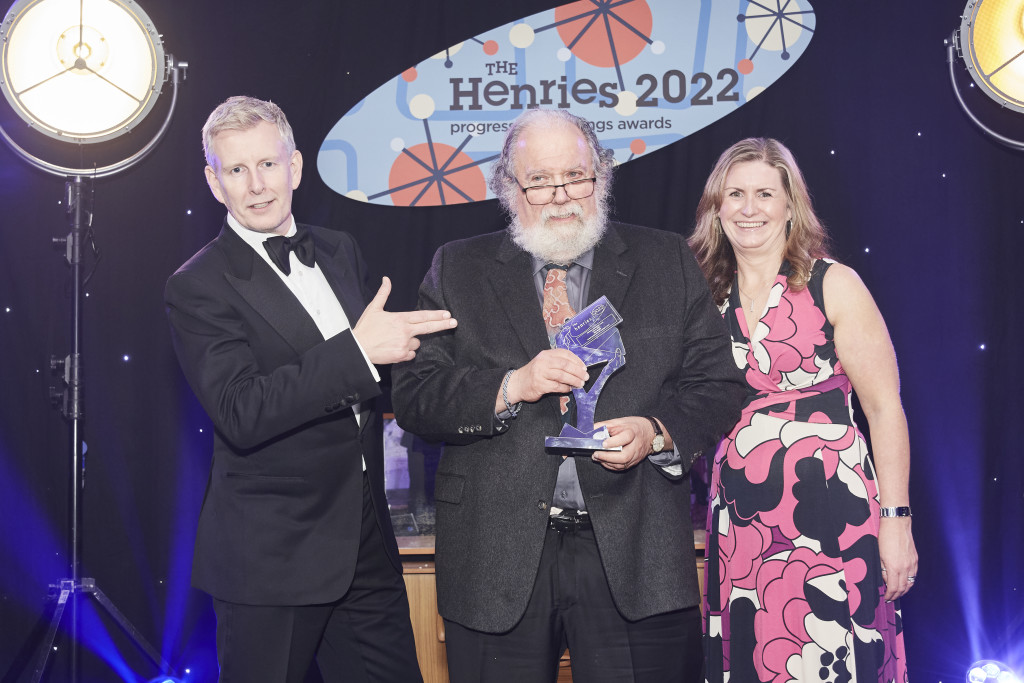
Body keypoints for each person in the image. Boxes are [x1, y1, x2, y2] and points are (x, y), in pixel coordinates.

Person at [391, 108, 746, 683]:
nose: (561, 196)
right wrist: (513, 386)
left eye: (576, 176)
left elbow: (717, 383)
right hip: (494, 555)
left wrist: (655, 432)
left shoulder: (666, 260)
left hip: (637, 553)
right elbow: (416, 396)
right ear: (510, 187)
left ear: (601, 177)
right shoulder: (458, 267)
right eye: (539, 180)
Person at [164, 95, 456, 683]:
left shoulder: (337, 249)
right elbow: (241, 410)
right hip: (272, 558)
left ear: (295, 166)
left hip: (367, 542)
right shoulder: (197, 285)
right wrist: (357, 352)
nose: (257, 185)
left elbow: (377, 367)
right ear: (213, 183)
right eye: (236, 170)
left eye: (268, 165)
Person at [690, 138, 917, 682]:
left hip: (835, 520)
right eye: (735, 194)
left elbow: (885, 409)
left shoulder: (832, 283)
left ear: (791, 204)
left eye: (765, 194)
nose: (750, 208)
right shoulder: (700, 295)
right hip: (744, 523)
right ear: (716, 207)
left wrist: (897, 520)